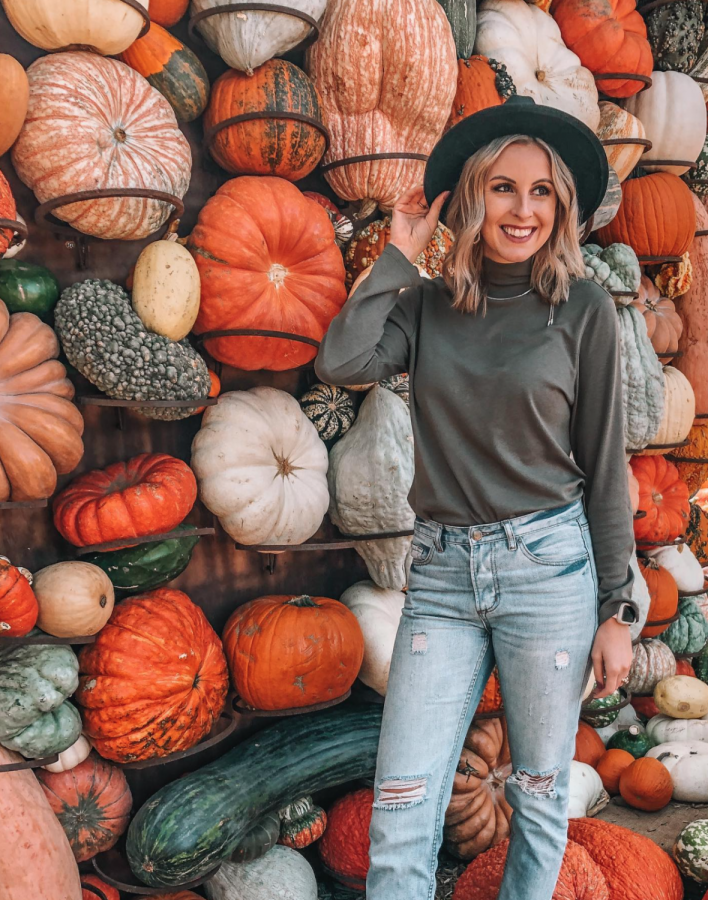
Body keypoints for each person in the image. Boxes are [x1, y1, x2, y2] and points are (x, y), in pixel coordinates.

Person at [314, 95, 638, 900]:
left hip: (549, 573)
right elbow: (341, 362)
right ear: (470, 198)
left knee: (537, 799)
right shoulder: (426, 307)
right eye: (502, 188)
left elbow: (605, 466)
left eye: (540, 192)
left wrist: (620, 609)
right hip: (443, 577)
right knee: (401, 801)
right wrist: (398, 254)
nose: (521, 209)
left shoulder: (584, 311)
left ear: (560, 206)